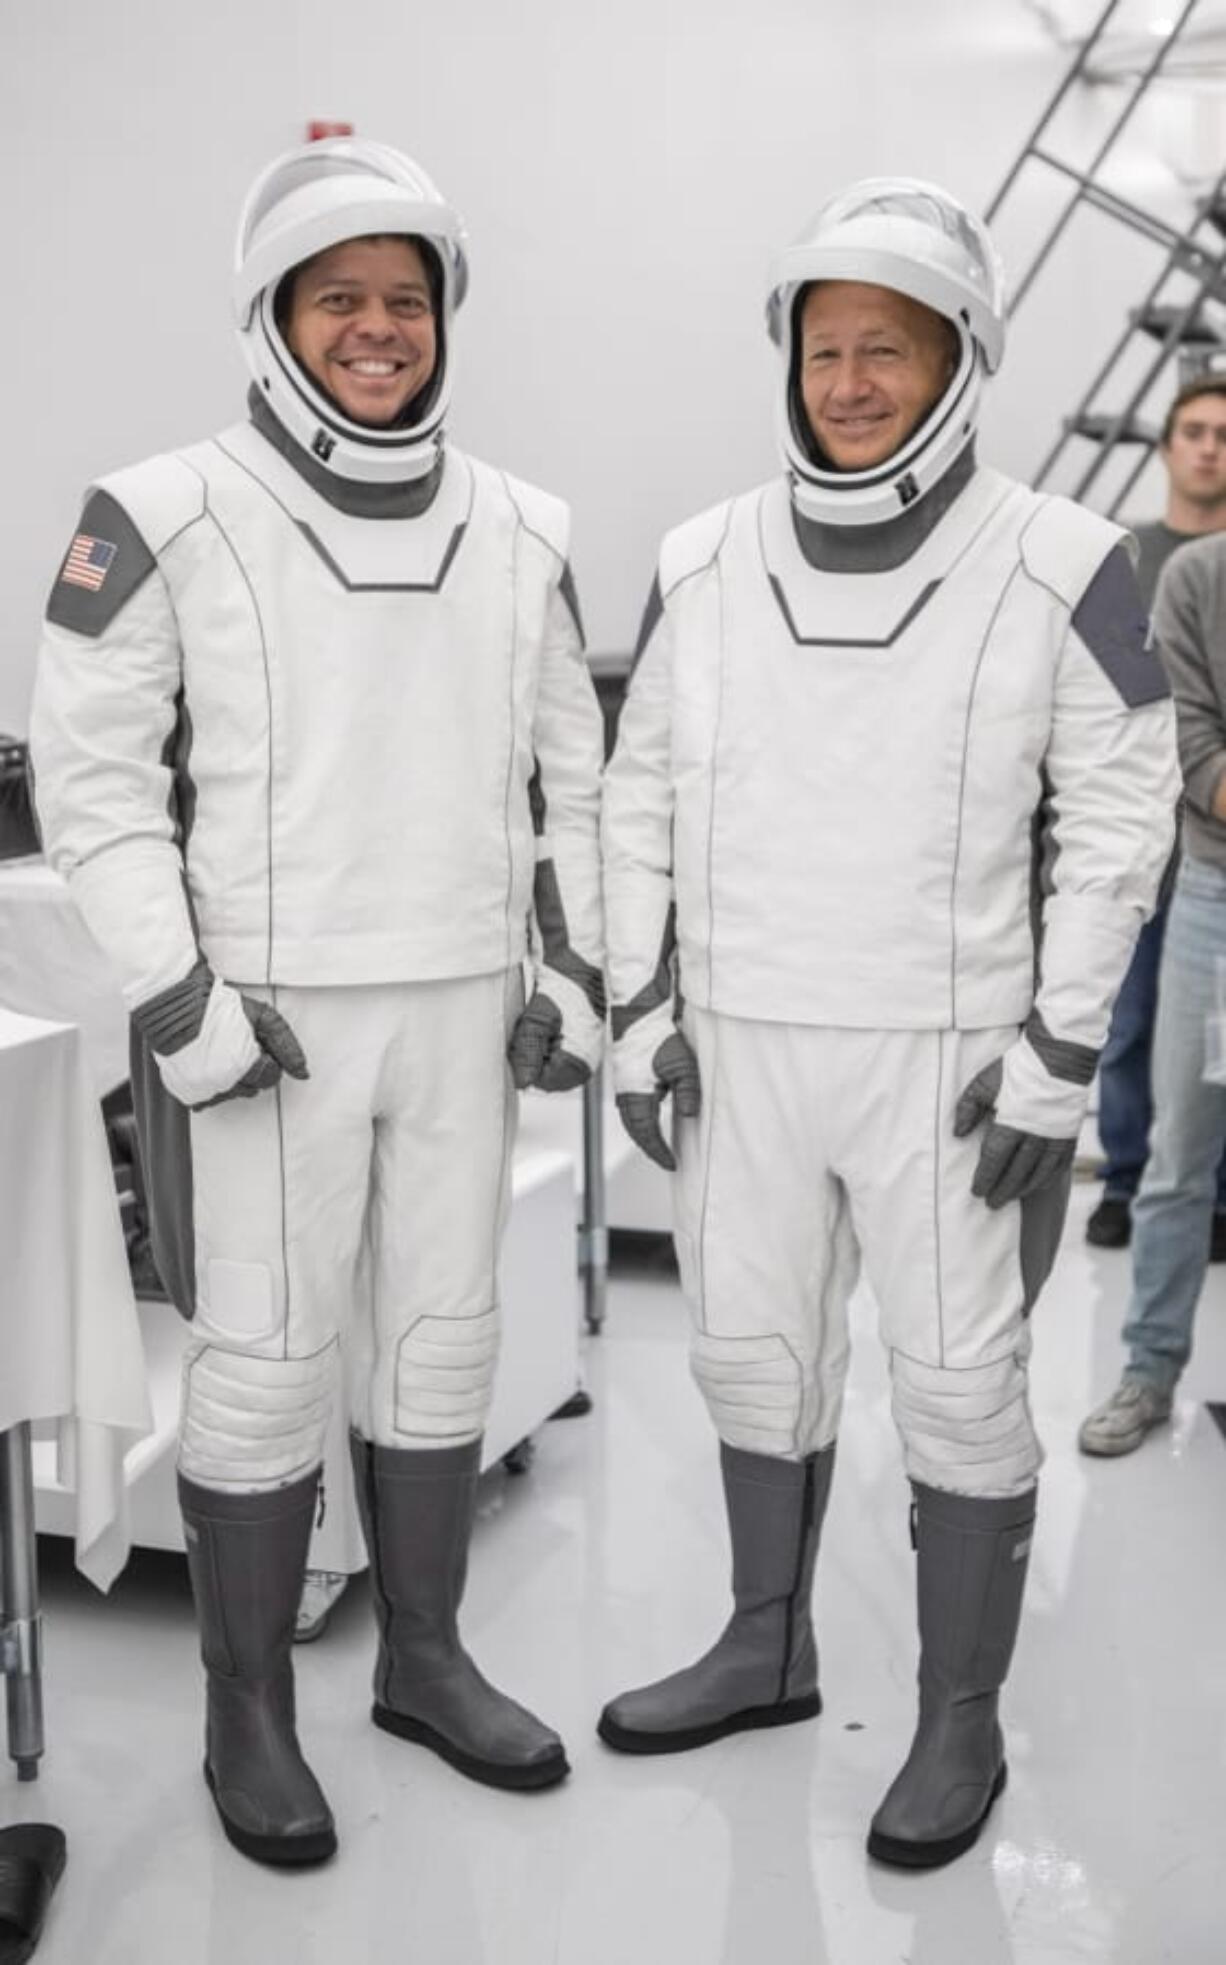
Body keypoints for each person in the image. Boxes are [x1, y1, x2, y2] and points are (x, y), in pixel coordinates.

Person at [30, 137, 605, 1866]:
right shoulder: (161, 508)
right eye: (338, 299)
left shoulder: (523, 526)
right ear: (272, 316)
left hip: (461, 1009)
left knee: (445, 1349)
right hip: (264, 1029)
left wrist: (568, 973)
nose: (377, 329)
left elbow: (573, 777)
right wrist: (183, 999)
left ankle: (423, 1659)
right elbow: (96, 786)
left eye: (405, 300)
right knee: (266, 1371)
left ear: (445, 320)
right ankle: (249, 1718)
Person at [599, 178, 1178, 1870]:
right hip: (744, 1039)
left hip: (953, 1061)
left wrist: (1064, 1051)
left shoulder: (1068, 562)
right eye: (826, 348)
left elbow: (1123, 815)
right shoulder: (702, 556)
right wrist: (641, 1005)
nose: (849, 382)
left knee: (960, 1389)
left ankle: (955, 1721)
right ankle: (765, 1640)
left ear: (962, 366)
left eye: (890, 354)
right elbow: (640, 797)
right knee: (745, 1358)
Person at [1079, 525, 1226, 1456]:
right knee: (1179, 1155)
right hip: (1215, 896)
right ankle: (1148, 1371)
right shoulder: (1198, 575)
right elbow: (1185, 732)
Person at [1087, 377, 1226, 1253]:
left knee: (1214, 1037)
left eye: (1224, 433)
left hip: (1213, 835)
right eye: (1195, 431)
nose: (1210, 446)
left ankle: (1211, 1194)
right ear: (1167, 446)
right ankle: (1126, 1179)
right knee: (1130, 1022)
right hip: (1141, 835)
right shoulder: (1126, 558)